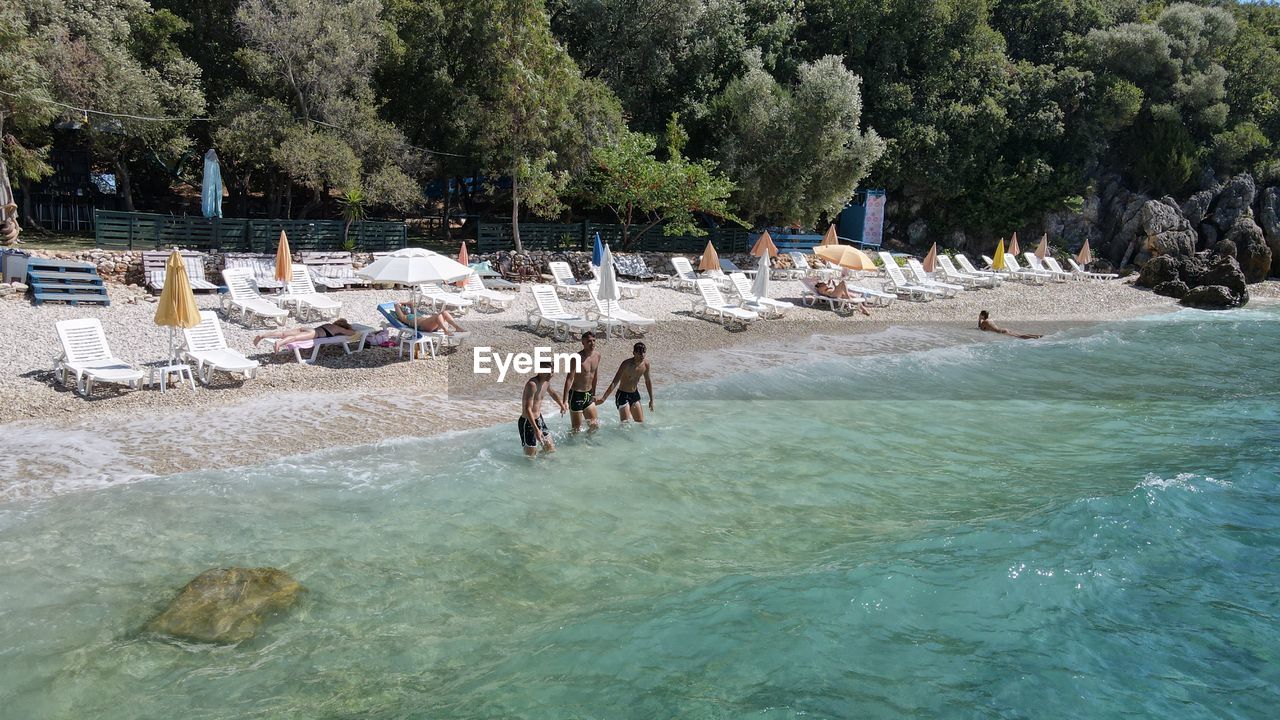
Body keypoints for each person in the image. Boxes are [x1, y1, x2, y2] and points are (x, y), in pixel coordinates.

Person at [596, 341, 654, 422]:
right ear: (634, 353)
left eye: (644, 352)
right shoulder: (626, 364)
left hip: (634, 394)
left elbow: (648, 381)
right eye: (639, 352)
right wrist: (603, 398)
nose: (642, 355)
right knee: (625, 424)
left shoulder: (646, 364)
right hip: (623, 395)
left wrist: (651, 399)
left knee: (640, 422)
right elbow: (615, 382)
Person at [519, 367, 567, 457]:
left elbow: (552, 393)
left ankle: (542, 465)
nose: (551, 375)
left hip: (539, 419)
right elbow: (527, 409)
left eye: (552, 372)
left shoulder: (546, 382)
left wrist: (561, 405)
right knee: (530, 456)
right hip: (528, 422)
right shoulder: (532, 384)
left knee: (549, 448)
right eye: (548, 372)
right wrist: (536, 430)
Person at [563, 331, 602, 433]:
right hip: (576, 395)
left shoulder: (597, 355)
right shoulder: (576, 358)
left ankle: (588, 444)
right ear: (583, 342)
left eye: (594, 341)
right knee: (576, 430)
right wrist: (564, 401)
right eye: (589, 341)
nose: (592, 343)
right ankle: (572, 447)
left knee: (594, 425)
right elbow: (569, 379)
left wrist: (593, 393)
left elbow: (595, 376)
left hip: (588, 394)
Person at [254, 319, 357, 350]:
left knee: (283, 333)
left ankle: (262, 336)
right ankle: (279, 343)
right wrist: (349, 328)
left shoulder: (329, 324)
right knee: (294, 338)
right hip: (314, 333)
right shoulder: (338, 329)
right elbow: (352, 333)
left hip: (308, 329)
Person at [393, 301, 467, 335]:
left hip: (429, 324)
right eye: (403, 308)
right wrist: (398, 305)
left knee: (444, 312)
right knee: (438, 316)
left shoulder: (412, 314)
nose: (406, 309)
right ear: (401, 311)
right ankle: (445, 330)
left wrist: (404, 303)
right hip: (423, 326)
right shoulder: (404, 317)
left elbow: (411, 303)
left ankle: (457, 327)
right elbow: (396, 305)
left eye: (406, 308)